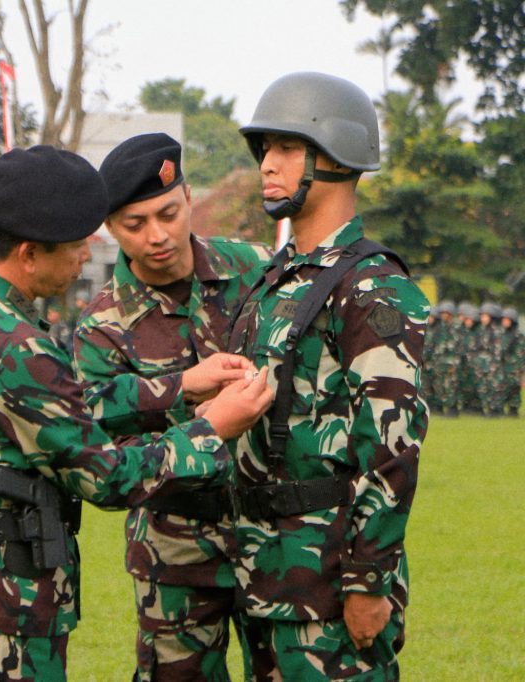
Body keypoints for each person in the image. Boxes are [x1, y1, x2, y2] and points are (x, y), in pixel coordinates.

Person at [0, 145, 274, 682]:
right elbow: (105, 475)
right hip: (1, 598)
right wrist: (211, 427)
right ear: (29, 253)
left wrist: (177, 387)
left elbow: (65, 405)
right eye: (76, 248)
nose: (84, 261)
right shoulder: (18, 346)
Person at [228, 72, 430, 679]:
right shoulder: (277, 278)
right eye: (265, 147)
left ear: (337, 158)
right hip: (265, 571)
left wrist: (369, 581)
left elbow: (392, 446)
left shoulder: (373, 288)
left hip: (331, 581)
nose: (268, 162)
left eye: (288, 147)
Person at [73, 132, 272, 681]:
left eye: (169, 213)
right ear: (110, 229)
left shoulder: (258, 270)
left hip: (275, 534)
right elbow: (96, 436)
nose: (158, 236)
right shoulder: (101, 328)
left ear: (187, 197)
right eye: (135, 225)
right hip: (174, 545)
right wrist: (182, 386)